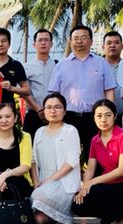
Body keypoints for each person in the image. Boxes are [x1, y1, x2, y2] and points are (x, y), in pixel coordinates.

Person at [47, 25, 116, 161]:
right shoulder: (61, 65)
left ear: (91, 41)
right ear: (70, 41)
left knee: (97, 156)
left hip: (95, 118)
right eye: (76, 38)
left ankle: (95, 176)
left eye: (83, 38)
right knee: (68, 156)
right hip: (68, 117)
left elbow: (109, 90)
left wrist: (109, 114)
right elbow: (54, 95)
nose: (79, 41)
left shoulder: (102, 63)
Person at [73, 99, 123, 224]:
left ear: (115, 116)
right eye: (99, 116)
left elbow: (122, 170)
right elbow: (90, 169)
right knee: (78, 205)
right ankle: (115, 214)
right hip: (109, 185)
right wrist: (84, 188)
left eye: (108, 115)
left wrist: (92, 182)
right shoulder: (95, 140)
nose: (103, 120)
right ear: (94, 118)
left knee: (95, 193)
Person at [31, 93, 81, 224]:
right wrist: (36, 182)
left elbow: (72, 161)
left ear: (64, 111)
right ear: (44, 111)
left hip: (63, 182)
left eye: (57, 107)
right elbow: (33, 160)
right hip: (43, 182)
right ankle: (49, 215)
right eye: (48, 107)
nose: (52, 111)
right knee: (38, 220)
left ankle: (59, 214)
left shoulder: (70, 130)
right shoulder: (39, 132)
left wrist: (50, 180)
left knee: (37, 197)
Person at [0, 102, 33, 221]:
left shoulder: (25, 137)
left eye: (8, 116)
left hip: (19, 179)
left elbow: (26, 165)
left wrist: (5, 175)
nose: (4, 120)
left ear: (15, 118)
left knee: (13, 192)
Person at [23, 28, 57, 138]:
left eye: (46, 40)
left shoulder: (58, 66)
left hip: (55, 115)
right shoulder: (26, 67)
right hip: (34, 115)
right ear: (34, 44)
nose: (43, 43)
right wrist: (38, 109)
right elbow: (24, 92)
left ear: (51, 44)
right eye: (40, 40)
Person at [102, 30, 123, 124]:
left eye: (116, 43)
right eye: (109, 43)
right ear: (103, 47)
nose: (112, 45)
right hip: (102, 118)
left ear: (122, 46)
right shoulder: (97, 66)